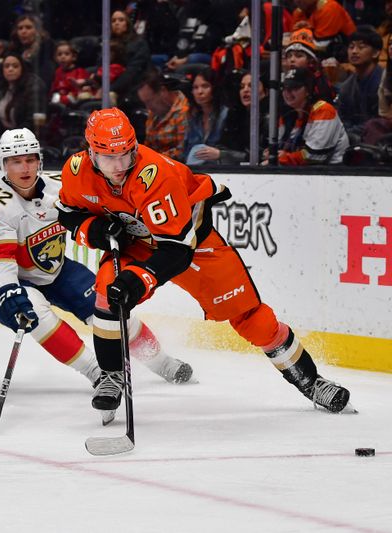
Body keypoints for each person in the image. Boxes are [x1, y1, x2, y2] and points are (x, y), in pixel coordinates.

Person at [56, 107, 352, 416]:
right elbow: (68, 214)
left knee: (254, 320)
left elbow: (177, 251)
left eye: (126, 155)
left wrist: (139, 278)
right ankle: (112, 375)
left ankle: (312, 382)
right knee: (108, 293)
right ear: (91, 153)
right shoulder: (76, 170)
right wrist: (95, 229)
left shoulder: (155, 175)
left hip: (192, 244)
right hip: (137, 242)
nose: (119, 166)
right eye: (108, 158)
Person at [0, 128, 194, 396]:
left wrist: (107, 226)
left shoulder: (59, 186)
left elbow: (96, 210)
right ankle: (99, 375)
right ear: (3, 165)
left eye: (30, 159)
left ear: (39, 160)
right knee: (38, 314)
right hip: (0, 285)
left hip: (56, 271)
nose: (25, 167)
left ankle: (163, 363)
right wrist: (9, 291)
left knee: (110, 308)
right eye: (16, 161)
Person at [274, 67, 349, 165]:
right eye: (285, 88)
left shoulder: (324, 110)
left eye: (294, 88)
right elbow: (282, 146)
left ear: (308, 90)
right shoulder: (287, 115)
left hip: (333, 173)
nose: (287, 92)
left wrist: (281, 159)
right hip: (301, 173)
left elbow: (315, 156)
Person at [337, 26, 385, 136]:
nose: (354, 51)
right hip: (352, 137)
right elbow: (342, 117)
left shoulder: (384, 83)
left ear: (376, 53)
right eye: (351, 47)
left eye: (361, 47)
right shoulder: (347, 86)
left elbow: (381, 122)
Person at [137, 68, 190, 161]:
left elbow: (182, 152)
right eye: (145, 103)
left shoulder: (185, 112)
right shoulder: (153, 113)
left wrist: (154, 159)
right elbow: (148, 145)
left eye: (150, 101)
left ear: (163, 91)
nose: (148, 107)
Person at [183, 67, 229, 165]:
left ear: (215, 88)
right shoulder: (193, 118)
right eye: (195, 87)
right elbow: (186, 152)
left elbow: (236, 152)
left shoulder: (227, 115)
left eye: (205, 86)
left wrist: (220, 154)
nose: (200, 92)